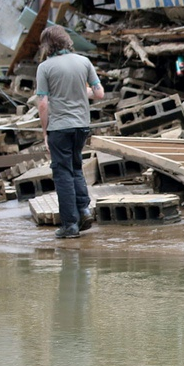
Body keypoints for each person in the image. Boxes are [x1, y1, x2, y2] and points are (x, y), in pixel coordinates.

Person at [36, 25, 105, 239]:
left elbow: (43, 105)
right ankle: (83, 211)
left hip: (59, 127)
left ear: (47, 46)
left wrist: (45, 132)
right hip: (82, 126)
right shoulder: (84, 62)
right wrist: (78, 90)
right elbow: (99, 93)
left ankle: (69, 224)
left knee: (62, 173)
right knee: (76, 168)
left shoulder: (45, 67)